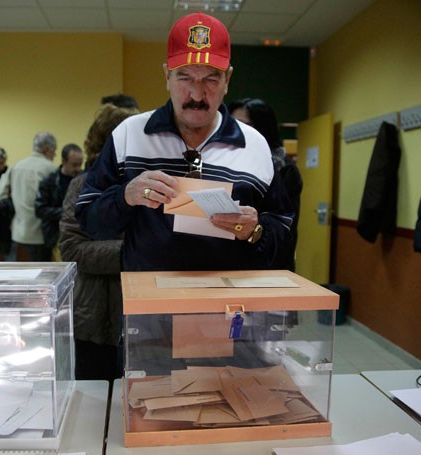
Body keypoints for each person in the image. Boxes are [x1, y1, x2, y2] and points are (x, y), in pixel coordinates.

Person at [76, 12, 294, 272]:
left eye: (211, 79)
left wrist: (254, 231)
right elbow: (89, 222)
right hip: (149, 303)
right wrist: (126, 196)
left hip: (227, 304)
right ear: (167, 76)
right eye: (185, 77)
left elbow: (285, 237)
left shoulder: (255, 145)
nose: (197, 94)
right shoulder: (129, 135)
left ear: (228, 80)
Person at [60, 104, 139, 381]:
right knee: (91, 406)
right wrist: (134, 253)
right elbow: (72, 249)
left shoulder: (152, 185)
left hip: (141, 317)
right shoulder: (82, 187)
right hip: (92, 318)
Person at [228, 98, 303, 271]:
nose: (236, 132)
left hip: (269, 263)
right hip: (233, 263)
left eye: (244, 125)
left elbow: (286, 226)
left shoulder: (284, 168)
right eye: (232, 124)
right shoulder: (230, 160)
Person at [0, 132, 57, 261]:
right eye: (54, 150)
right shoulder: (51, 169)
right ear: (47, 150)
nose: (55, 155)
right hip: (42, 233)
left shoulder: (16, 166)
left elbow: (0, 193)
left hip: (19, 232)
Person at [34, 143, 84, 261]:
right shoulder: (48, 182)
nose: (78, 169)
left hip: (81, 236)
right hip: (56, 236)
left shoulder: (85, 179)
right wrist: (67, 212)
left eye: (80, 164)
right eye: (74, 165)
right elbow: (40, 209)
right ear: (63, 161)